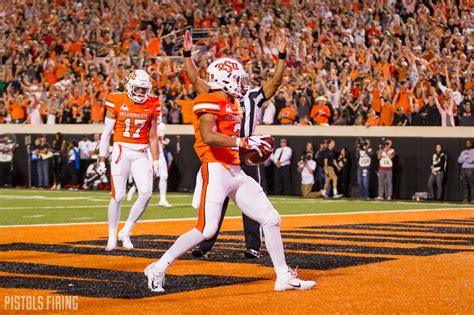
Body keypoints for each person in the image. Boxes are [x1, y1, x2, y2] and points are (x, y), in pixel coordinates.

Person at [144, 57, 315, 293]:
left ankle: (283, 275)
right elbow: (209, 136)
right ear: (224, 80)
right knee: (206, 229)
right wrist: (244, 140)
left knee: (271, 218)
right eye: (237, 79)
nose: (242, 84)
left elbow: (241, 152)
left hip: (234, 169)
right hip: (215, 170)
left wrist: (254, 153)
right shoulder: (208, 100)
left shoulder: (234, 104)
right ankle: (158, 267)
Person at [183, 30, 287, 259]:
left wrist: (281, 55)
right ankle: (204, 243)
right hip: (222, 152)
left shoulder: (252, 97)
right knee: (215, 203)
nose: (242, 83)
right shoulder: (215, 95)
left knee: (253, 202)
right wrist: (187, 53)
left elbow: (276, 82)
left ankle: (252, 245)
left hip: (245, 153)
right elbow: (194, 79)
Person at [98, 69, 161, 251]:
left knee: (146, 193)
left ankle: (126, 230)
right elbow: (106, 133)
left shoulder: (153, 103)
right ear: (129, 86)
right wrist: (101, 159)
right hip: (121, 150)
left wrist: (155, 160)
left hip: (140, 151)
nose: (141, 93)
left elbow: (153, 136)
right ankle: (111, 235)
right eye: (138, 89)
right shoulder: (116, 99)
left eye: (144, 89)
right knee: (118, 195)